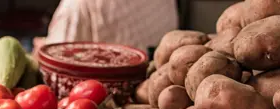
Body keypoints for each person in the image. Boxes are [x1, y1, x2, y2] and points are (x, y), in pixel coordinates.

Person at [34, 0, 180, 53]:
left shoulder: (77, 6)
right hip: (154, 86)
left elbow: (56, 63)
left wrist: (40, 50)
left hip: (103, 106)